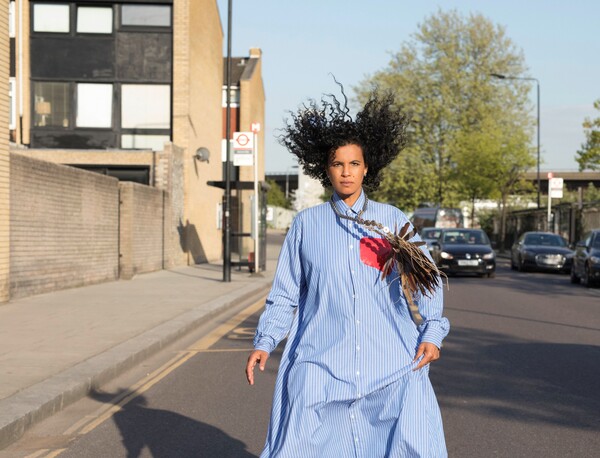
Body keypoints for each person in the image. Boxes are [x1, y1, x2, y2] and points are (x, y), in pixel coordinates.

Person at [245, 87, 450, 457]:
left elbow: (427, 281)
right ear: (325, 169)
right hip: (321, 361)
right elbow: (287, 292)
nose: (346, 172)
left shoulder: (392, 220)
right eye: (337, 164)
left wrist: (432, 332)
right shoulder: (307, 224)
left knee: (405, 445)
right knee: (302, 442)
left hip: (390, 362)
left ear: (366, 167)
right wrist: (265, 340)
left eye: (354, 164)